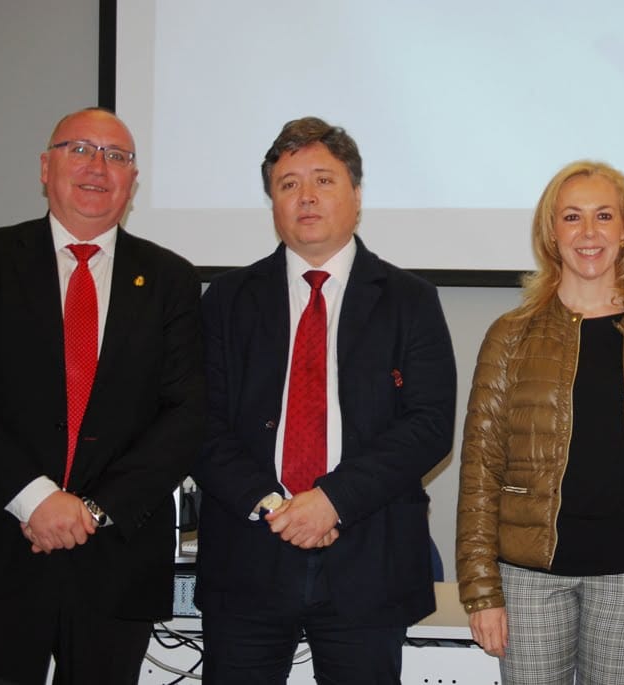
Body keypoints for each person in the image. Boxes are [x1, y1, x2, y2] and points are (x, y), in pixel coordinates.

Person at [193, 116, 456, 684]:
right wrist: (274, 506)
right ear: (272, 203)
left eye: (323, 180)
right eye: (288, 184)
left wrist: (330, 501)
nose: (306, 197)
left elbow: (429, 426)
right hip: (249, 557)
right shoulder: (226, 300)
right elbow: (199, 423)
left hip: (368, 560)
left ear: (356, 196)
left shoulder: (411, 301)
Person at [0, 107, 205, 684]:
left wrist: (90, 510)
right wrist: (35, 499)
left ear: (133, 181)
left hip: (115, 559)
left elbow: (186, 415)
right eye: (80, 149)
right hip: (0, 547)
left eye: (117, 156)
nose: (99, 166)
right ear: (46, 168)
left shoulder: (171, 279)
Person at [456, 160, 624, 684]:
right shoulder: (509, 336)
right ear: (552, 234)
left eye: (603, 216)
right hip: (527, 582)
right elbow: (480, 469)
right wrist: (482, 591)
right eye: (572, 217)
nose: (589, 233)